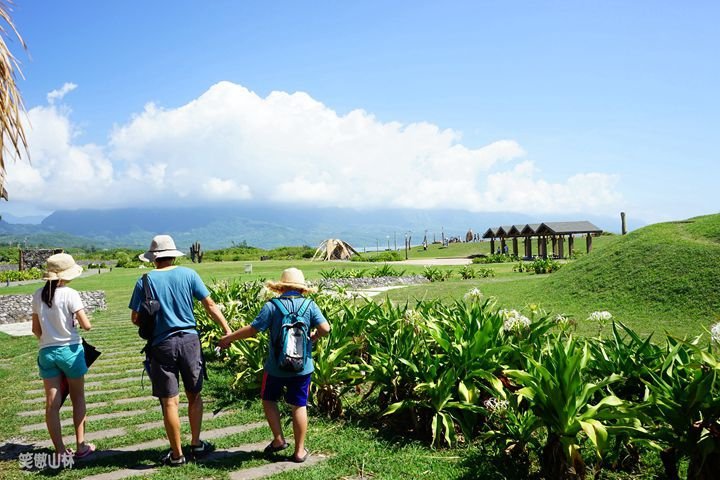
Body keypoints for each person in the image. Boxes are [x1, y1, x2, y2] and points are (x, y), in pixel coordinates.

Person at [129, 235, 232, 466]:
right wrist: (226, 329)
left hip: (161, 345)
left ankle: (176, 454)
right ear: (174, 255)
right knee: (194, 395)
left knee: (169, 402)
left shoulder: (144, 281)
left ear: (153, 258)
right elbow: (210, 305)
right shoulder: (189, 274)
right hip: (190, 341)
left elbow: (135, 318)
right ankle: (195, 443)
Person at [219, 267, 330, 463]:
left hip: (275, 367)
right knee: (299, 405)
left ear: (281, 287)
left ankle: (278, 440)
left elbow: (253, 330)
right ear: (302, 288)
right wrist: (314, 337)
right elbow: (325, 328)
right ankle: (299, 451)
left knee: (268, 400)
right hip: (302, 367)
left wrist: (229, 338)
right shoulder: (309, 305)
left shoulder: (272, 306)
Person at [31, 253, 95, 460]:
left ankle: (59, 450)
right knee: (78, 398)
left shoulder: (37, 295)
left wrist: (50, 337)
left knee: (52, 403)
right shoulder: (70, 294)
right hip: (71, 351)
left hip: (47, 352)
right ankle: (81, 446)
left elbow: (36, 330)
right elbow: (87, 325)